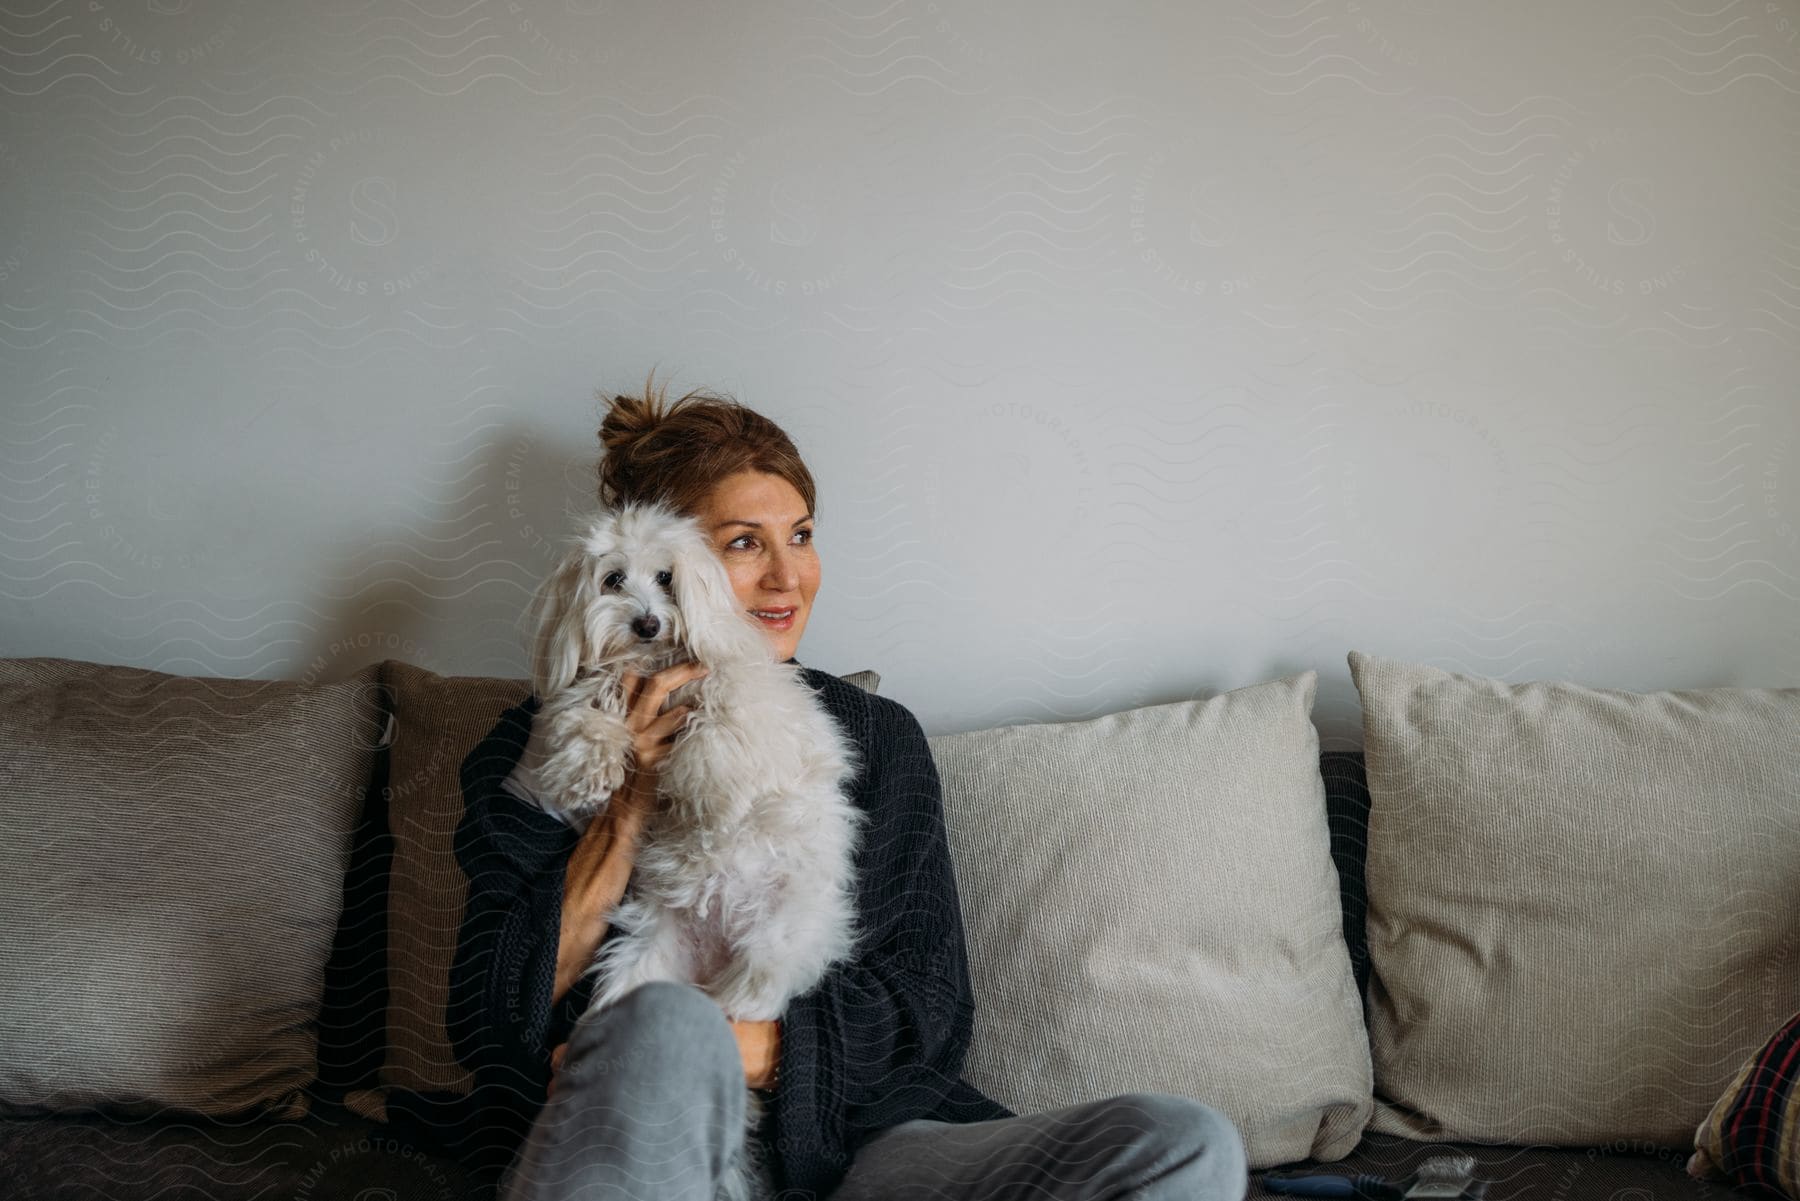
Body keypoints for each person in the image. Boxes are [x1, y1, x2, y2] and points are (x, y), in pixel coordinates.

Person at [442, 374, 1251, 1201]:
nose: (788, 577)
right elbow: (490, 1015)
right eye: (745, 542)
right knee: (664, 1025)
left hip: (867, 1150)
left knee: (1184, 1142)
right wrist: (630, 798)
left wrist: (755, 1048)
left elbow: (930, 1003)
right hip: (651, 1138)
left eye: (801, 535)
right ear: (664, 564)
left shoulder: (874, 734)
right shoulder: (545, 739)